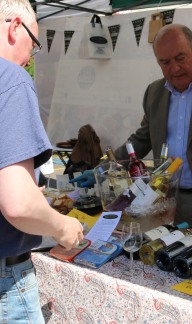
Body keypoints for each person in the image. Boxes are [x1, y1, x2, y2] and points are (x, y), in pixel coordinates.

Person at [72, 24, 192, 235]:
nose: (174, 68)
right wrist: (103, 169)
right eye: (165, 62)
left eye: (180, 58)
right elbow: (141, 140)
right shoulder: (154, 92)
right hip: (165, 203)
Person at [0, 1, 84, 322]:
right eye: (33, 46)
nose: (29, 59)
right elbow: (19, 204)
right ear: (14, 27)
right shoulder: (11, 79)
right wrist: (63, 227)